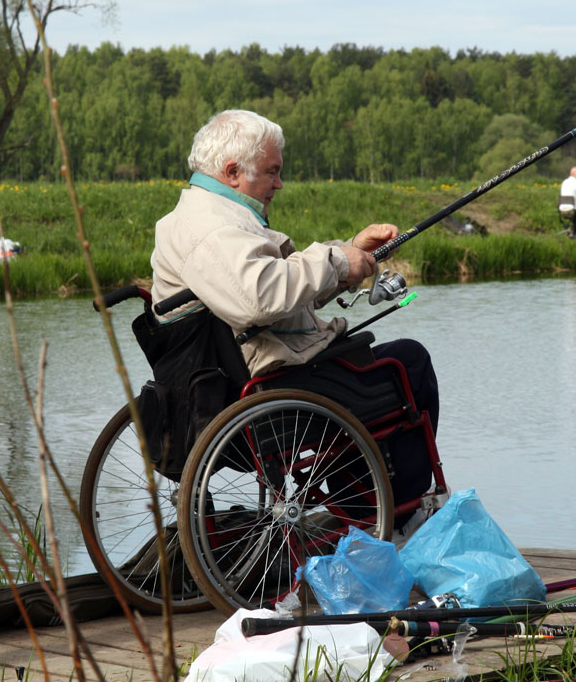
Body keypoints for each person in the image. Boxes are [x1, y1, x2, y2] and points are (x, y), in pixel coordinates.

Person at [150, 109, 439, 505]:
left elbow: (274, 285)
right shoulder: (211, 228)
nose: (279, 184)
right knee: (408, 363)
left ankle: (362, 506)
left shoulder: (209, 214)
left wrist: (350, 253)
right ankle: (394, 512)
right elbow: (258, 298)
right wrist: (337, 262)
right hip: (263, 393)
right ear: (233, 171)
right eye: (272, 171)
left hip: (251, 379)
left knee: (382, 361)